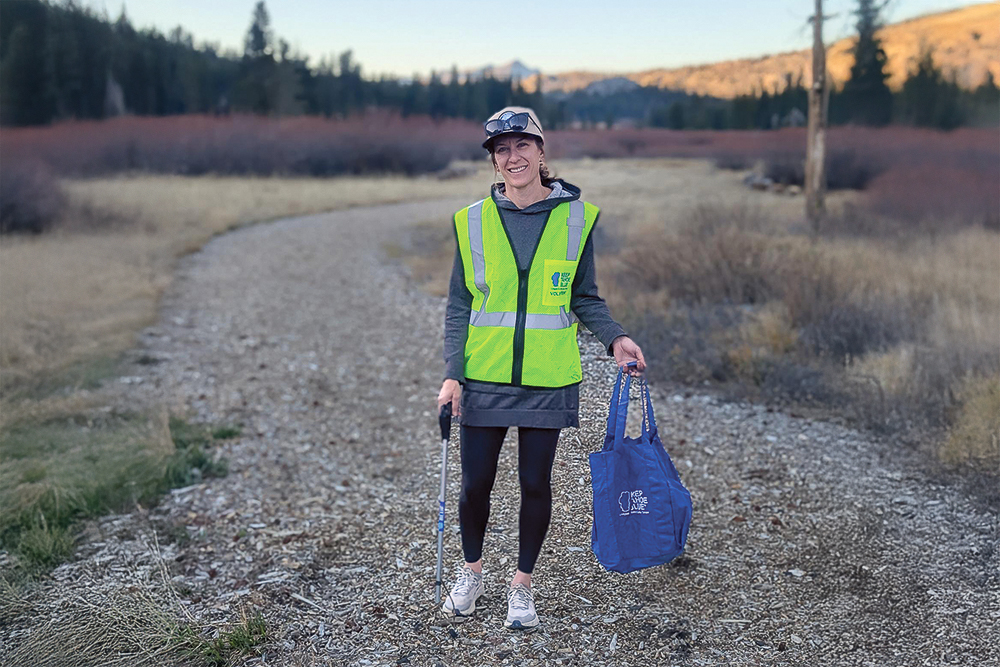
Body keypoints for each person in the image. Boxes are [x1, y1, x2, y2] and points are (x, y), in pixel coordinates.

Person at [436, 106, 645, 630]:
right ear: (493, 160)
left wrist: (615, 337)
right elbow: (460, 305)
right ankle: (472, 572)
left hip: (549, 377)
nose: (512, 157)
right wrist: (452, 372)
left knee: (535, 482)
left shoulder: (576, 218)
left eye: (521, 146)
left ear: (541, 151)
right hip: (483, 374)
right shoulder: (471, 221)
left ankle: (522, 585)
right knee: (475, 483)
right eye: (501, 150)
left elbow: (586, 297)